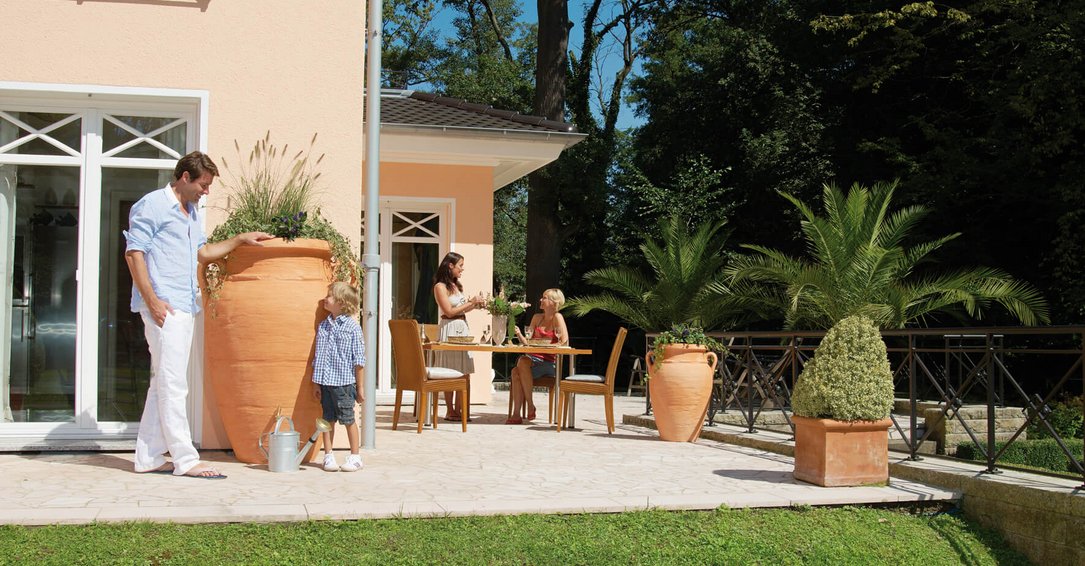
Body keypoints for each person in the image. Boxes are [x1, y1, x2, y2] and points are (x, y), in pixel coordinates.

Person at [125, 151, 273, 478]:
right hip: (164, 307)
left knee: (162, 381)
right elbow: (134, 254)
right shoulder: (152, 205)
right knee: (174, 383)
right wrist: (152, 301)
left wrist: (239, 240)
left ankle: (148, 456)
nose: (206, 192)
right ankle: (185, 459)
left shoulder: (190, 213)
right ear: (185, 177)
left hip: (184, 304)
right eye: (203, 185)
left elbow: (203, 253)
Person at [312, 282, 366, 472]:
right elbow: (318, 357)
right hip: (326, 383)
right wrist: (316, 384)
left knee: (348, 419)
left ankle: (355, 456)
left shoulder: (352, 328)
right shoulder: (324, 326)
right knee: (327, 419)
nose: (325, 299)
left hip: (344, 384)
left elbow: (359, 360)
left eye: (330, 296)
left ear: (342, 303)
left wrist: (359, 388)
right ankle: (328, 455)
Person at [432, 252, 482, 420]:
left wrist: (474, 305)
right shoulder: (440, 287)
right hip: (449, 328)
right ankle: (450, 410)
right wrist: (470, 302)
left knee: (464, 368)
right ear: (450, 265)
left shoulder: (456, 286)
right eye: (460, 265)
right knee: (449, 368)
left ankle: (462, 409)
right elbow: (449, 311)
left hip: (462, 327)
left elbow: (461, 309)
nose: (462, 269)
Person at [508, 288, 569, 424]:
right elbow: (528, 343)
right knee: (518, 367)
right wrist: (519, 334)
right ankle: (524, 409)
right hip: (532, 361)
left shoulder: (557, 317)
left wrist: (546, 346)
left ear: (554, 303)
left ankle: (520, 412)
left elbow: (564, 341)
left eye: (545, 298)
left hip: (548, 363)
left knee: (517, 369)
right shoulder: (537, 318)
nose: (541, 300)